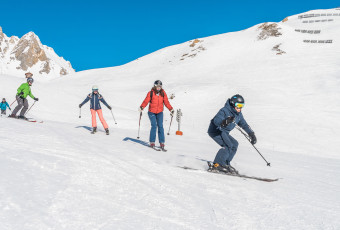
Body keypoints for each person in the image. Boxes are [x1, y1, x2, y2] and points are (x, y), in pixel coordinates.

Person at [207, 94, 257, 174]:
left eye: (242, 105)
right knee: (228, 145)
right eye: (238, 105)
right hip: (216, 130)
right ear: (233, 104)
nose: (240, 108)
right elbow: (216, 120)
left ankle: (225, 163)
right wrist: (224, 122)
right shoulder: (224, 110)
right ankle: (217, 165)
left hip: (224, 132)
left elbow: (244, 124)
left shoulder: (238, 114)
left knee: (234, 144)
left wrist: (251, 134)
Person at [139, 80, 174, 151]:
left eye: (160, 87)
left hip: (160, 112)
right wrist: (142, 107)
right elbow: (146, 101)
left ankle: (162, 143)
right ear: (155, 86)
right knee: (154, 125)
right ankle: (152, 142)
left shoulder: (163, 93)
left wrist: (171, 109)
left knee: (160, 126)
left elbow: (166, 102)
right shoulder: (151, 93)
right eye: (157, 86)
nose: (159, 88)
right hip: (151, 112)